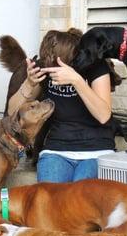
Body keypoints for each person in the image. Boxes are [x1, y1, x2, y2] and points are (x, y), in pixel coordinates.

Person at [7, 29, 114, 182]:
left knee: (79, 199)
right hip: (56, 149)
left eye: (53, 61)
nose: (49, 65)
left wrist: (76, 80)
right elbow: (12, 110)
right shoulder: (46, 68)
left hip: (96, 149)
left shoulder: (95, 66)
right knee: (49, 199)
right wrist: (29, 83)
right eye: (46, 60)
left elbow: (104, 116)